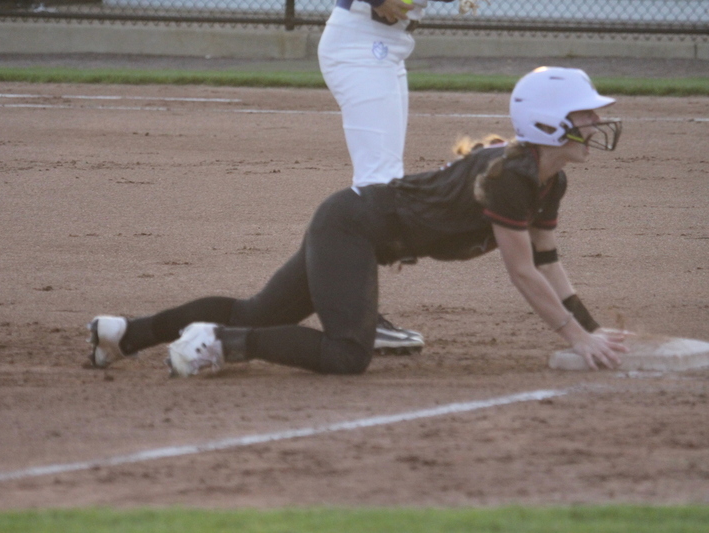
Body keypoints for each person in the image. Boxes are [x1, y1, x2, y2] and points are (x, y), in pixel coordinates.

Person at [86, 66, 628, 378]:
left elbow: (548, 260)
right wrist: (575, 337)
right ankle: (220, 342)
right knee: (348, 354)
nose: (597, 121)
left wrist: (593, 328)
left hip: (352, 225)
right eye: (585, 113)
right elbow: (523, 273)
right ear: (547, 121)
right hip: (352, 228)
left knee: (261, 310)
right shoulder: (512, 175)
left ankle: (125, 334)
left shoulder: (548, 178)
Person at [317, 0, 458, 355]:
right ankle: (356, 319)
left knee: (386, 182)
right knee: (377, 184)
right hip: (360, 44)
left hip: (386, 47)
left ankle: (353, 312)